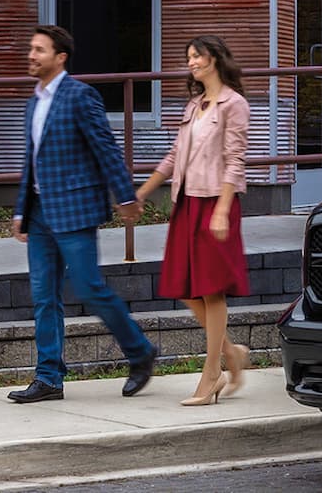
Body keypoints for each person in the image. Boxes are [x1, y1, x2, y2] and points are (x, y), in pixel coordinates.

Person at [8, 25, 159, 404]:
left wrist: (125, 195)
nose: (31, 55)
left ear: (60, 57)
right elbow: (31, 161)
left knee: (90, 287)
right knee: (43, 296)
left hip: (75, 209)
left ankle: (140, 352)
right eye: (31, 48)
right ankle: (49, 378)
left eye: (39, 49)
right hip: (40, 213)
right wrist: (21, 211)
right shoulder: (34, 102)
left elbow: (105, 149)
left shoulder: (80, 96)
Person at [135, 35, 251, 406]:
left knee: (211, 288)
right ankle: (232, 352)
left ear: (214, 59)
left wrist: (221, 209)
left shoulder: (235, 105)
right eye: (188, 57)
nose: (191, 63)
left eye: (196, 57)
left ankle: (212, 371)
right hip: (188, 203)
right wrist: (143, 190)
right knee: (184, 286)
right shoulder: (194, 105)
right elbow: (173, 157)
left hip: (217, 203)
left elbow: (235, 160)